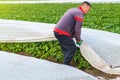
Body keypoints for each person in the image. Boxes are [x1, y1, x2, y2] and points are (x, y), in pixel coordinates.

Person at [53, 1, 91, 65]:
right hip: (63, 33)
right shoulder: (79, 14)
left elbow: (71, 25)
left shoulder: (73, 10)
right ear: (85, 7)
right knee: (72, 48)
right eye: (88, 10)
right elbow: (77, 29)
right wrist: (78, 40)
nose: (87, 12)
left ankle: (65, 64)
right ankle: (65, 65)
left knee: (66, 49)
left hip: (56, 31)